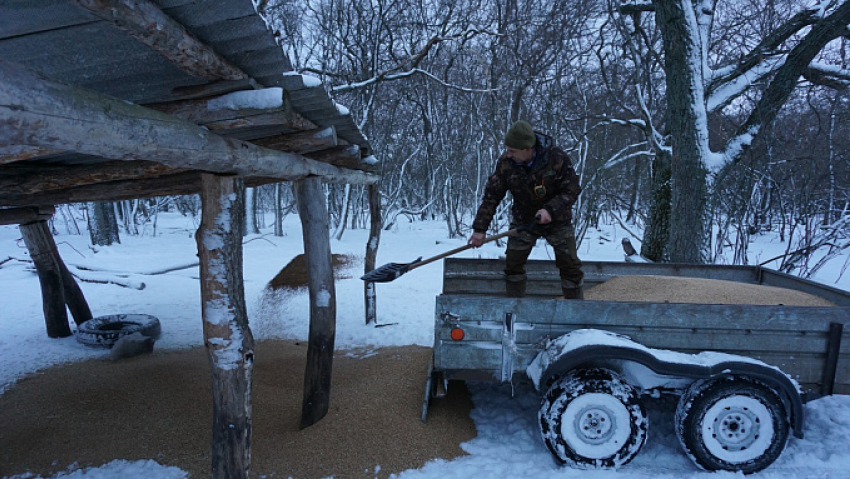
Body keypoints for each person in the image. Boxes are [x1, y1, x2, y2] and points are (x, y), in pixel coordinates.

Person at [468, 120, 584, 299]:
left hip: (557, 221)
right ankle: (515, 306)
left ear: (527, 149)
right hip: (523, 220)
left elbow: (572, 190)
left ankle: (575, 308)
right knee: (513, 264)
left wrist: (550, 210)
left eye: (512, 151)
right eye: (507, 149)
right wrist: (479, 230)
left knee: (570, 264)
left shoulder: (556, 158)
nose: (508, 154)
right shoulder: (506, 164)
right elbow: (491, 197)